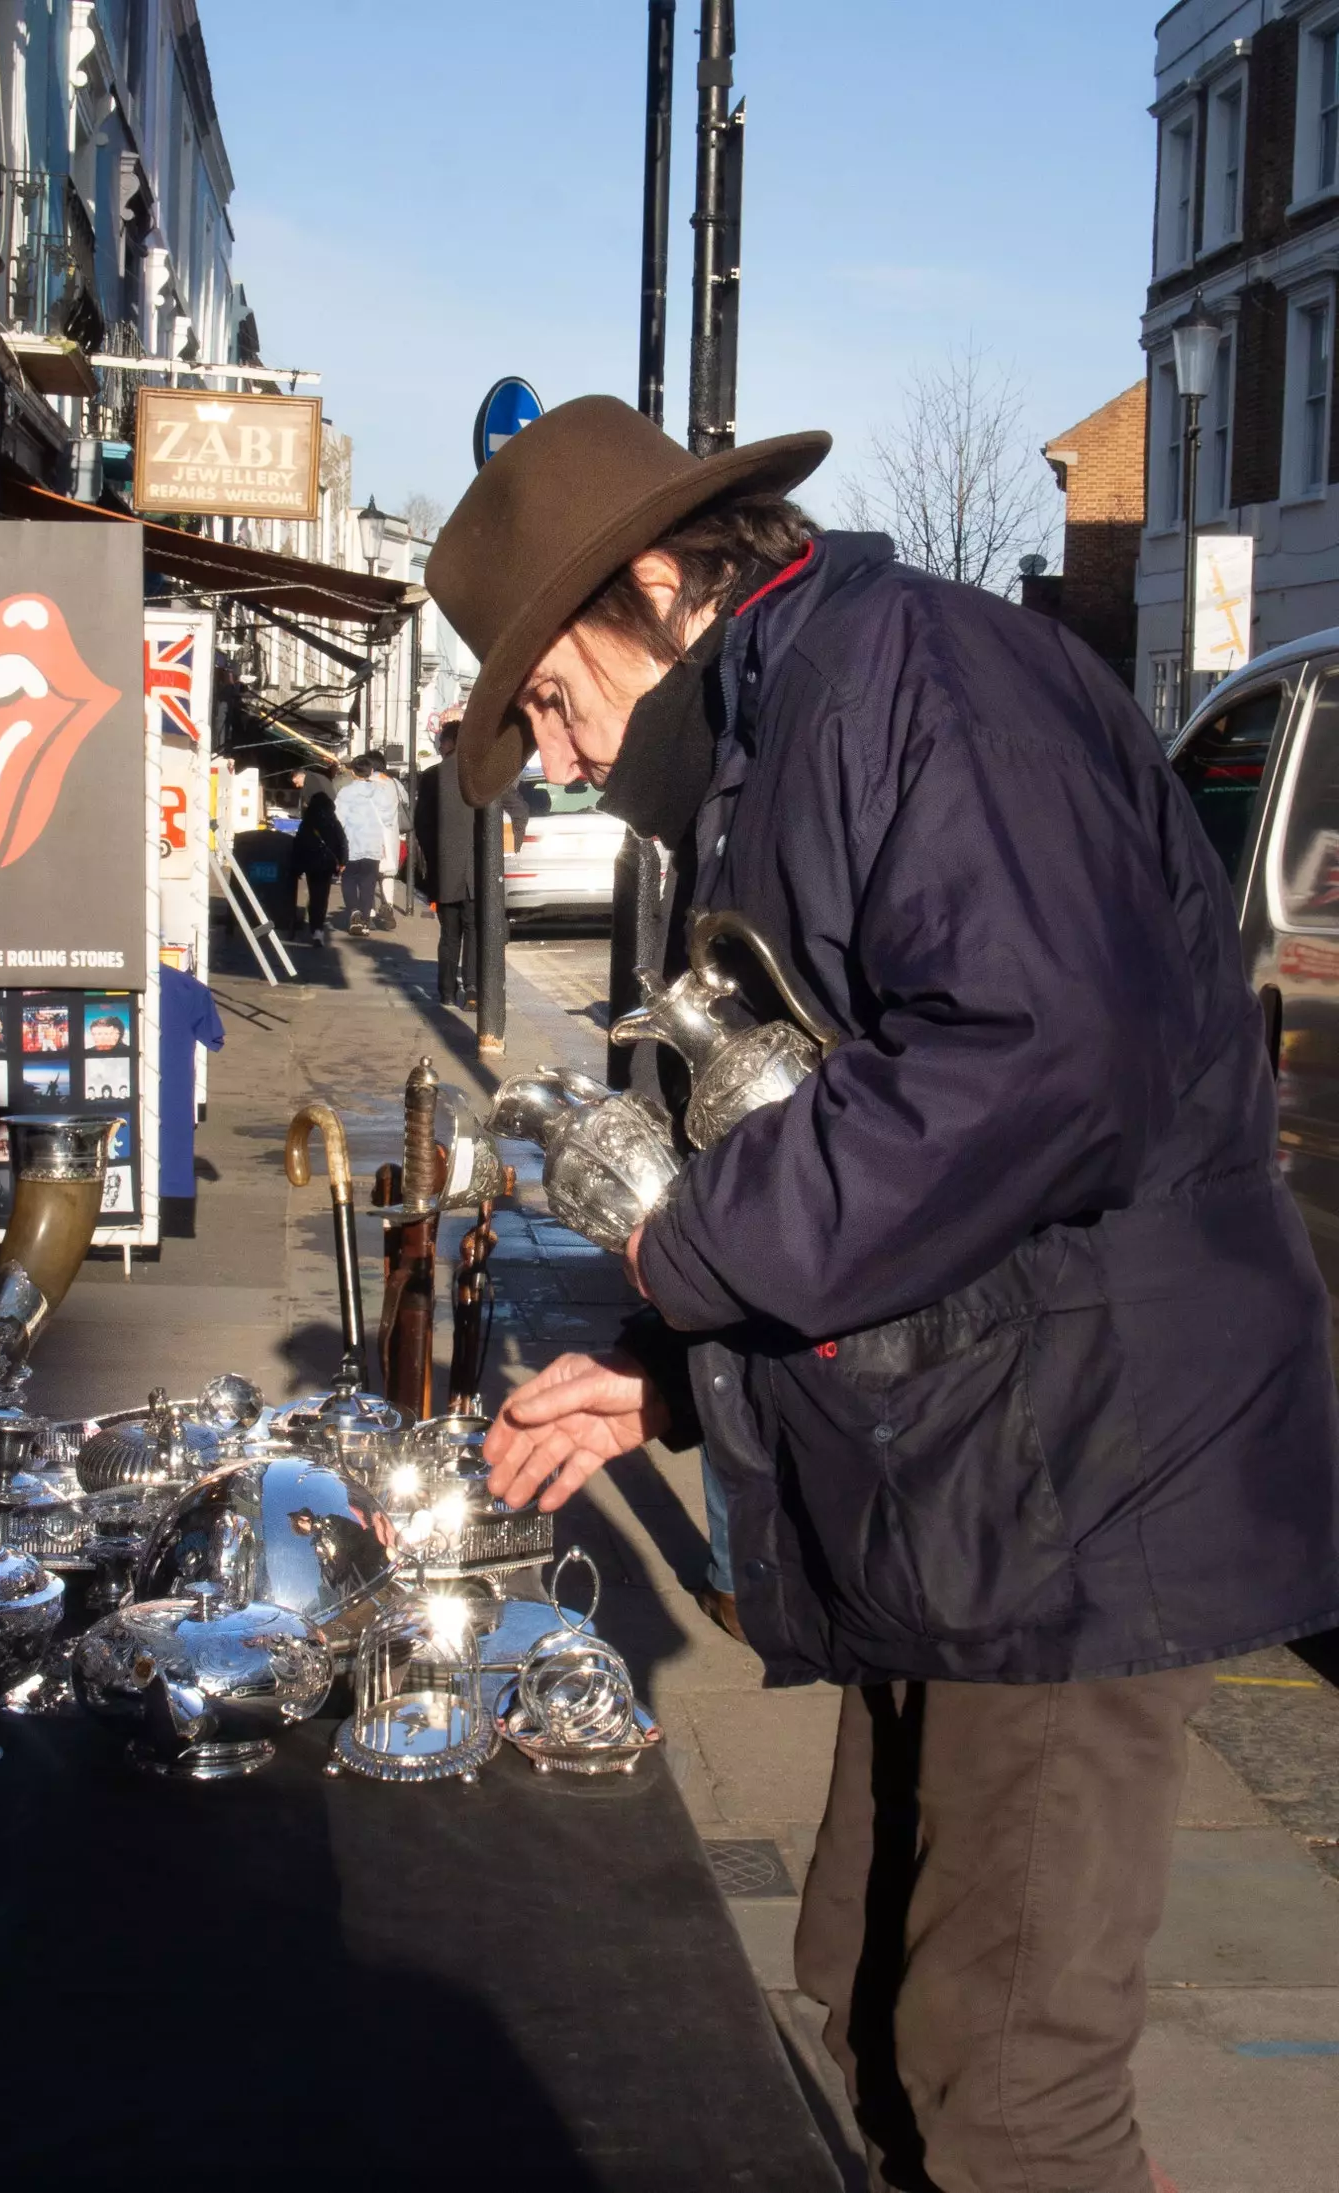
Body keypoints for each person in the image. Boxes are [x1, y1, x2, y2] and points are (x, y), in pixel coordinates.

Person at [424, 395, 1339, 2193]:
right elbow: (866, 1141)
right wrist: (670, 1376)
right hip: (971, 1472)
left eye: (547, 689)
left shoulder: (917, 683)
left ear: (666, 582)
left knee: (1005, 2080)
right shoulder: (804, 725)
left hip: (1079, 1483)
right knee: (858, 1989)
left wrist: (688, 1254)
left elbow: (1037, 1056)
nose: (551, 746)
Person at [415, 714, 527, 1008]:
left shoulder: (431, 777)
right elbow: (520, 811)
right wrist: (508, 848)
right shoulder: (484, 775)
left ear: (451, 742)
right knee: (475, 931)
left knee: (448, 935)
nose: (439, 748)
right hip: (479, 870)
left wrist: (433, 859)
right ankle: (473, 990)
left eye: (441, 742)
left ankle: (447, 992)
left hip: (445, 870)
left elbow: (422, 826)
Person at [333, 755, 387, 935]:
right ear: (372, 772)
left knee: (348, 878)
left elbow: (338, 820)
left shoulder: (345, 793)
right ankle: (364, 921)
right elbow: (388, 819)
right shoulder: (381, 792)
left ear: (353, 773)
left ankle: (354, 911)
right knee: (368, 882)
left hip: (351, 844)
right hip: (373, 844)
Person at [292, 768, 345, 939]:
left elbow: (298, 843)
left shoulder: (307, 823)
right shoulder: (333, 822)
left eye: (296, 781)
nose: (297, 785)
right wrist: (342, 862)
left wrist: (296, 865)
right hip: (327, 863)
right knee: (322, 895)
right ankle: (318, 929)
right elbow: (342, 841)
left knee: (314, 892)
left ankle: (313, 923)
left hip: (310, 861)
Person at [364, 751, 405, 931]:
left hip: (369, 834)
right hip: (390, 835)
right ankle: (388, 907)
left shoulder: (365, 783)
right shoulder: (394, 783)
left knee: (369, 875)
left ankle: (370, 915)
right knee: (387, 874)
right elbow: (405, 801)